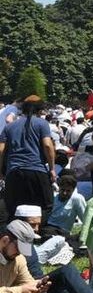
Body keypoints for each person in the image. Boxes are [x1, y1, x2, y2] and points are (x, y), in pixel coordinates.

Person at [0, 96, 55, 224]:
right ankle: (37, 230)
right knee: (46, 205)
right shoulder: (42, 124)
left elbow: (1, 150)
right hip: (37, 170)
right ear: (40, 110)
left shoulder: (9, 127)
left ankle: (16, 234)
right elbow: (47, 145)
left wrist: (1, 170)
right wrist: (52, 168)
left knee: (14, 208)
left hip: (14, 171)